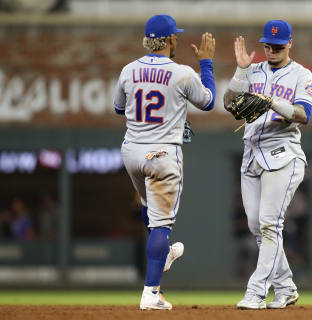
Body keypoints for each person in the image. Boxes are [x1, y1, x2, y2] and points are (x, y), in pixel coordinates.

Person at [113, 14, 216, 310]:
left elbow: (119, 108)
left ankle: (165, 252)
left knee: (149, 210)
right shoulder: (182, 73)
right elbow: (208, 101)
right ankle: (151, 293)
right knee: (161, 225)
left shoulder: (128, 70)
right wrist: (206, 63)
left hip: (132, 151)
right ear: (170, 40)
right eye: (176, 37)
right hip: (161, 155)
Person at [224, 20, 312, 309]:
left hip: (283, 155)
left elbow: (303, 114)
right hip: (252, 154)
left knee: (268, 224)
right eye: (268, 45)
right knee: (257, 226)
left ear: (290, 43)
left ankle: (256, 292)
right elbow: (229, 104)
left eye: (278, 46)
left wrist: (272, 101)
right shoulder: (253, 72)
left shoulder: (302, 74)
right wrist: (241, 70)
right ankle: (286, 287)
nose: (272, 50)